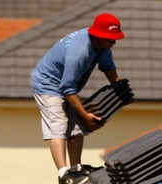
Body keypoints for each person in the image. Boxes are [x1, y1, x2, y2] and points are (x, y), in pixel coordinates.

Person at [31, 12, 126, 184]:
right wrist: (85, 115)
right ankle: (64, 173)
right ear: (98, 36)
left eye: (115, 39)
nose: (113, 42)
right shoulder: (79, 52)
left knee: (75, 125)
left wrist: (118, 91)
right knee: (58, 123)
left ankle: (76, 169)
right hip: (47, 84)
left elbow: (108, 67)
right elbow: (67, 88)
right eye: (110, 39)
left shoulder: (102, 47)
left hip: (67, 86)